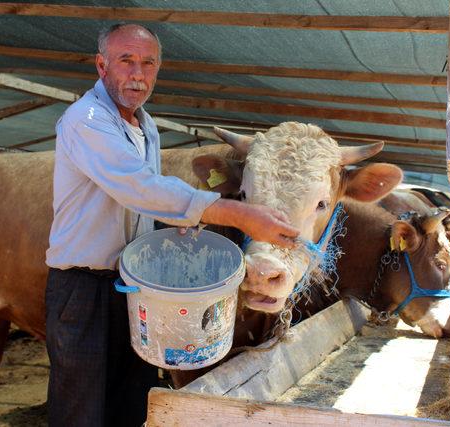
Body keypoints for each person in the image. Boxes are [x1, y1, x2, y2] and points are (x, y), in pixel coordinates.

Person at [45, 23, 298, 427]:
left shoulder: (146, 126)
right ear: (101, 65)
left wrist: (173, 224)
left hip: (137, 284)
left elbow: (147, 200)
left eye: (148, 63)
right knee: (81, 406)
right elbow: (138, 187)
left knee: (133, 397)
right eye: (126, 61)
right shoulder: (86, 119)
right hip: (83, 288)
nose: (138, 74)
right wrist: (236, 213)